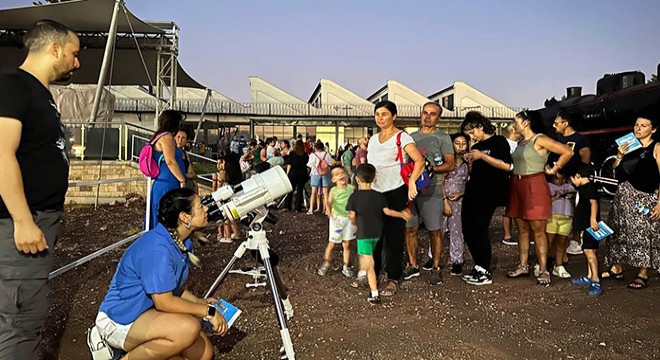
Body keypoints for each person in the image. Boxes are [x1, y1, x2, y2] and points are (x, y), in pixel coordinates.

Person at [0, 19, 80, 358]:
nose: (76, 62)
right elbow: (2, 153)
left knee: (25, 314)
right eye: (74, 54)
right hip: (21, 225)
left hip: (38, 221)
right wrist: (22, 220)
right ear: (55, 48)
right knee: (20, 319)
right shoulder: (14, 86)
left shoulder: (39, 94)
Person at [91, 188, 226, 359]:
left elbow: (173, 287)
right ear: (185, 217)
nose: (206, 209)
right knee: (189, 328)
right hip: (121, 319)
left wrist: (199, 302)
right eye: (200, 206)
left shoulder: (179, 241)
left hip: (148, 312)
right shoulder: (158, 250)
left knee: (204, 353)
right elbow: (164, 302)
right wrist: (207, 312)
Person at [505, 110, 572, 286]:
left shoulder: (539, 139)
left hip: (534, 184)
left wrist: (555, 168)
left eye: (515, 121)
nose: (513, 124)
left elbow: (566, 151)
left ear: (525, 122)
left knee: (539, 230)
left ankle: (543, 270)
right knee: (522, 229)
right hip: (517, 185)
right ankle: (523, 265)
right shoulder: (520, 141)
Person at [367, 100, 425, 296]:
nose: (380, 118)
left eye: (384, 114)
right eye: (377, 114)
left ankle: (393, 277)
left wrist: (411, 183)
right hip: (374, 191)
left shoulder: (403, 137)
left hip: (395, 190)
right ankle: (372, 273)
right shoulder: (373, 140)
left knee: (393, 235)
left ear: (394, 116)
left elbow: (419, 161)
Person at [603, 115, 660, 290]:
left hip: (645, 197)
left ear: (653, 129)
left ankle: (642, 273)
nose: (638, 128)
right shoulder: (629, 146)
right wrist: (619, 155)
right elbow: (617, 172)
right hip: (623, 197)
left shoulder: (656, 148)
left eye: (643, 125)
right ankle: (616, 267)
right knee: (618, 231)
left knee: (642, 235)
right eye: (636, 124)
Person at [402, 102, 454, 285]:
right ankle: (413, 265)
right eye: (425, 113)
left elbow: (450, 163)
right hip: (411, 189)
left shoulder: (443, 138)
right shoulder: (410, 137)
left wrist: (432, 168)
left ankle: (436, 267)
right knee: (410, 228)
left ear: (438, 117)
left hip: (432, 189)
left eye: (432, 114)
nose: (427, 117)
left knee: (434, 230)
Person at [460, 111, 513, 286]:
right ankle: (478, 265)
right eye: (468, 133)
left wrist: (483, 156)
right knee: (468, 228)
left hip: (489, 192)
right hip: (473, 190)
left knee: (480, 229)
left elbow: (507, 166)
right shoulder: (478, 146)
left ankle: (484, 268)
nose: (471, 136)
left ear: (480, 127)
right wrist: (470, 161)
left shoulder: (498, 141)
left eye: (472, 131)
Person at [347, 164, 412, 304]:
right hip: (377, 232)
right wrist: (401, 214)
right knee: (368, 256)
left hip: (364, 233)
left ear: (357, 179)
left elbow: (352, 215)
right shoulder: (378, 196)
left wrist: (355, 223)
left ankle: (374, 292)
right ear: (375, 179)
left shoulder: (354, 197)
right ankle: (365, 275)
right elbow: (387, 212)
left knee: (368, 262)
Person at [551, 111, 592, 256]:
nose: (554, 126)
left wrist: (577, 176)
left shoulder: (580, 139)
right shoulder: (557, 139)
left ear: (565, 123)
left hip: (574, 180)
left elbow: (585, 160)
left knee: (576, 210)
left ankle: (576, 240)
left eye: (557, 123)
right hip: (558, 180)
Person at [147, 110, 187, 230]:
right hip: (168, 183)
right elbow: (170, 161)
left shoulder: (158, 136)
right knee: (168, 216)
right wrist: (182, 180)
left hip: (164, 181)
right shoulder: (166, 137)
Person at [569, 165, 604, 296]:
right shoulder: (585, 188)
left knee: (590, 252)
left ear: (578, 176)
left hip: (590, 226)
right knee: (589, 250)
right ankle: (590, 275)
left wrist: (593, 220)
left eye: (572, 178)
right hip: (586, 225)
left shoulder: (587, 188)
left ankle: (595, 279)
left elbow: (594, 203)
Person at [317, 165, 357, 277]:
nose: (340, 175)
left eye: (342, 173)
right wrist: (329, 212)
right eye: (337, 174)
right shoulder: (333, 190)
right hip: (337, 219)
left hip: (349, 219)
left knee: (347, 243)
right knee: (332, 243)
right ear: (333, 179)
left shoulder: (352, 188)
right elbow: (329, 202)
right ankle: (326, 263)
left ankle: (346, 266)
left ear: (346, 175)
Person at [440, 133, 470, 276]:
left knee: (457, 230)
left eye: (463, 143)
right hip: (443, 198)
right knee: (438, 230)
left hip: (460, 200)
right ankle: (434, 257)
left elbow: (472, 182)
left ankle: (457, 260)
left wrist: (462, 194)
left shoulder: (469, 162)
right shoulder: (447, 161)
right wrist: (445, 200)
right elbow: (440, 181)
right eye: (457, 143)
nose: (461, 147)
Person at [545, 173, 576, 279]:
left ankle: (559, 265)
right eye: (557, 179)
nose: (560, 181)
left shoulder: (568, 187)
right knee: (549, 242)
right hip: (552, 217)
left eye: (563, 178)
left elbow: (575, 192)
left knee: (562, 242)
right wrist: (554, 197)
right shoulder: (548, 186)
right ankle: (542, 264)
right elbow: (544, 202)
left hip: (566, 217)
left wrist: (572, 194)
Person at [503, 122, 521, 246]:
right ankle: (507, 235)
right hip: (510, 177)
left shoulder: (521, 144)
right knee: (508, 207)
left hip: (519, 178)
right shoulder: (505, 144)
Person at [306, 141, 334, 215]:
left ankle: (311, 209)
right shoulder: (327, 154)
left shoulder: (313, 155)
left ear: (315, 147)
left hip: (315, 173)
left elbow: (309, 165)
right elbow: (331, 164)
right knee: (325, 193)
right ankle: (326, 210)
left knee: (313, 192)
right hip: (326, 173)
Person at [283, 140, 310, 212]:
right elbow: (307, 166)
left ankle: (287, 206)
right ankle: (298, 208)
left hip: (293, 173)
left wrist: (287, 173)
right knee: (300, 191)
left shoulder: (292, 153)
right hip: (302, 173)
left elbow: (289, 164)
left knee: (290, 190)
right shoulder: (305, 154)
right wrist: (307, 174)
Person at [175, 129, 198, 193]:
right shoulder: (171, 153)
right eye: (178, 137)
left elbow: (191, 172)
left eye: (183, 138)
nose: (180, 140)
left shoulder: (186, 155)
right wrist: (186, 175)